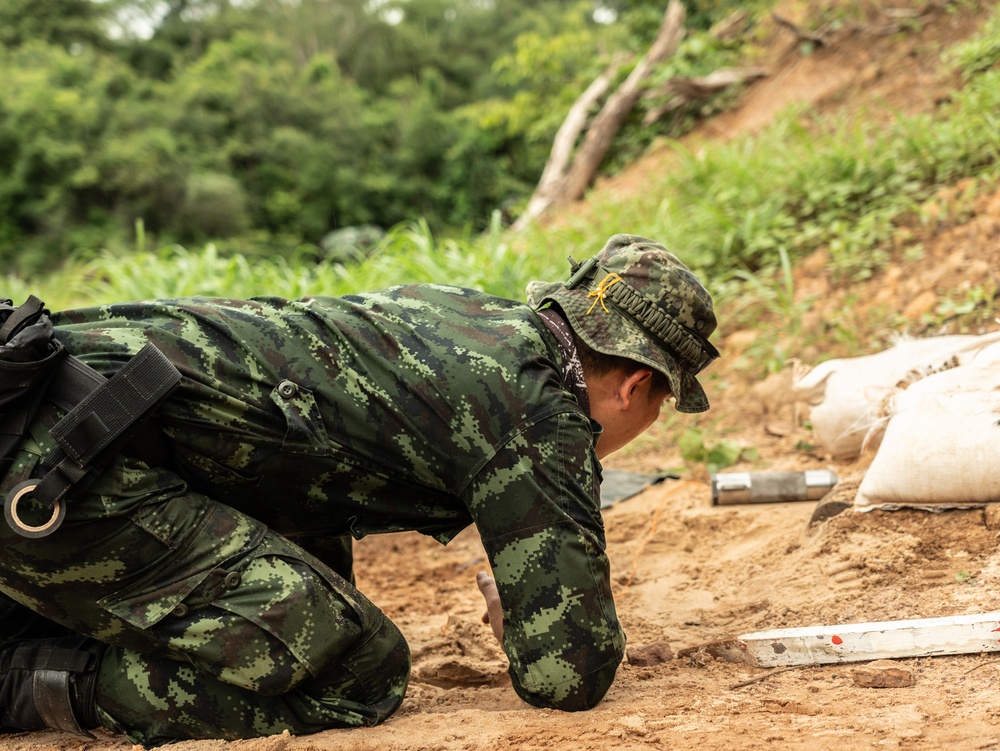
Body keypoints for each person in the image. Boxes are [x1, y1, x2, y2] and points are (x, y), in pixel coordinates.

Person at [0, 233, 719, 745]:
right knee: (358, 671)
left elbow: (303, 463)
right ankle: (28, 679)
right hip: (60, 471)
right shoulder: (539, 413)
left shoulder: (476, 321)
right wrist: (525, 618)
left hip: (55, 416)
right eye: (662, 404)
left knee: (320, 594)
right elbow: (568, 673)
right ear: (634, 385)